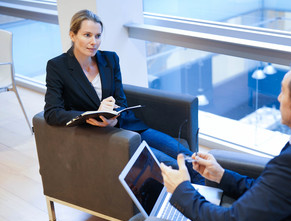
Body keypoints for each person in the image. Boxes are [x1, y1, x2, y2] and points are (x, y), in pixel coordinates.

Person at [137, 58, 291, 221]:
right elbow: (272, 191)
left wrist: (181, 188)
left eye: (283, 91)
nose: (279, 98)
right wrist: (222, 176)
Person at [43, 9, 203, 184]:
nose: (93, 42)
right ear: (72, 35)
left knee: (192, 159)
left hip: (127, 124)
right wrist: (88, 116)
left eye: (97, 36)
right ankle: (197, 207)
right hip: (100, 135)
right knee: (175, 166)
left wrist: (114, 116)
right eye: (87, 35)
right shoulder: (57, 67)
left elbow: (120, 100)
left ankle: (214, 202)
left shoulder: (110, 59)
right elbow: (52, 113)